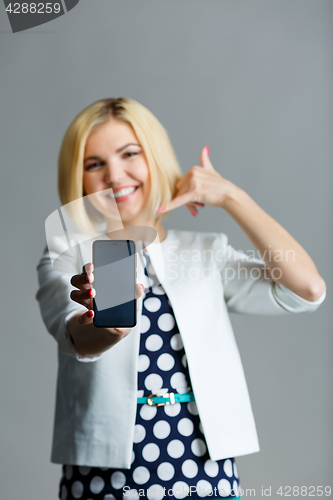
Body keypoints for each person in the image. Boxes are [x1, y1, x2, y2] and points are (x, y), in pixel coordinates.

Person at [36, 97, 326, 500]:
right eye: (94, 163)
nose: (115, 175)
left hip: (204, 465)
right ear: (79, 178)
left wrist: (231, 197)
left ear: (154, 156)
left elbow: (307, 290)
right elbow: (76, 338)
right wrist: (110, 323)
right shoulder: (68, 252)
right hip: (103, 473)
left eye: (129, 154)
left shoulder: (205, 252)